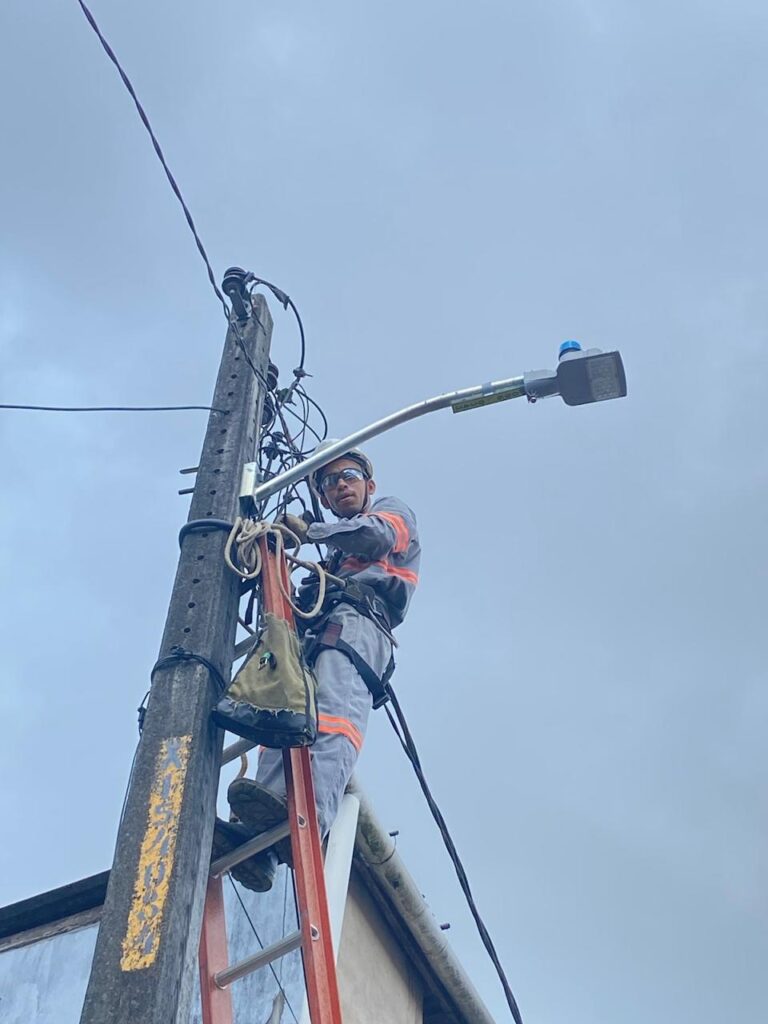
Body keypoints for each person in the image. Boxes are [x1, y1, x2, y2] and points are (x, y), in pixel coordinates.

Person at [213, 443, 420, 891]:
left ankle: (313, 820)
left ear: (369, 483)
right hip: (318, 628)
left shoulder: (388, 511)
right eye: (329, 482)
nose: (340, 485)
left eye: (348, 476)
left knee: (332, 723)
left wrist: (311, 531)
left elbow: (377, 537)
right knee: (284, 716)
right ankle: (261, 839)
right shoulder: (332, 554)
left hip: (359, 629)